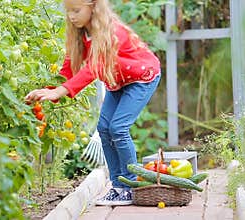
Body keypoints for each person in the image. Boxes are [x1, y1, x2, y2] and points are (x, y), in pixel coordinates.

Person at [25, 0, 161, 206]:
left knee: (118, 128)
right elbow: (69, 68)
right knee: (104, 128)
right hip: (117, 82)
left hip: (142, 77)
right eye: (68, 11)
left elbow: (94, 68)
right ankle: (118, 186)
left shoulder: (111, 31)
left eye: (76, 10)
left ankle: (131, 187)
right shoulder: (80, 34)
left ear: (93, 7)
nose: (71, 16)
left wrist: (61, 92)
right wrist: (49, 90)